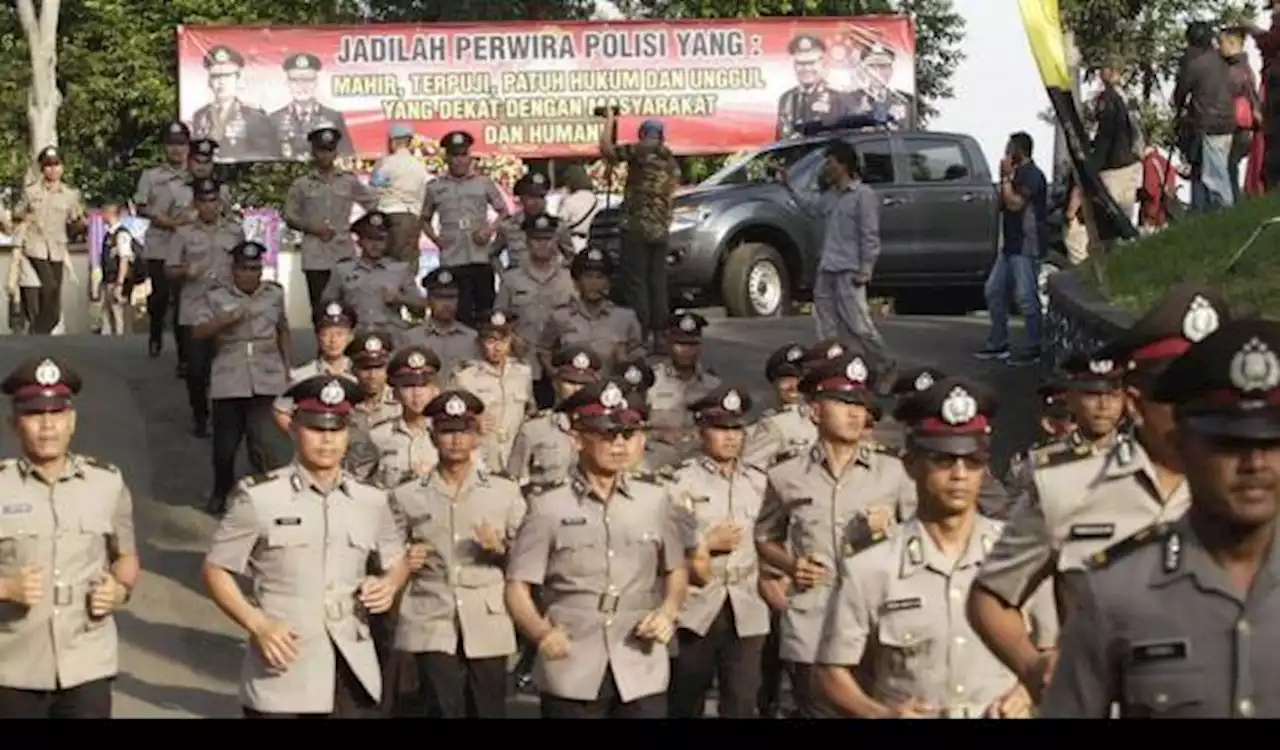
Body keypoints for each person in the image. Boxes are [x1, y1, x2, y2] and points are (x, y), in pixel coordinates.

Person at [968, 283, 1229, 703]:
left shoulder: (1255, 490)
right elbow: (991, 596)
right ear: (1137, 400)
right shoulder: (1067, 489)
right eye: (1179, 396)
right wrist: (1034, 666)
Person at [1043, 318, 1280, 718]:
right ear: (1181, 445)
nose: (1254, 463)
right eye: (1228, 444)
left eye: (1272, 442)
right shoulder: (1115, 593)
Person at [815, 378, 1037, 719]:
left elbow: (1056, 648)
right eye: (943, 460)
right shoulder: (871, 568)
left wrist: (1025, 692)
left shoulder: (1020, 557)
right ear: (911, 464)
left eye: (973, 460)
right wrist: (881, 715)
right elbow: (830, 672)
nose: (960, 474)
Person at [202, 375, 409, 719]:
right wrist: (258, 624)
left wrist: (389, 584)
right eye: (316, 429)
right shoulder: (260, 497)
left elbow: (396, 559)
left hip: (351, 666)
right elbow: (215, 569)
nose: (327, 441)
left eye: (335, 430)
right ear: (294, 430)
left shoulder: (371, 500)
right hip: (285, 665)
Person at [504, 378, 689, 718]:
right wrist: (540, 633)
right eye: (606, 434)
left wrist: (668, 612)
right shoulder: (548, 506)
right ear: (576, 439)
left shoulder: (655, 499)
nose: (618, 444)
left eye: (625, 434)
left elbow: (676, 570)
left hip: (639, 657)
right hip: (573, 659)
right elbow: (518, 586)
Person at [752, 352, 916, 717]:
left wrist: (892, 529)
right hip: (814, 624)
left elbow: (925, 538)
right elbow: (764, 536)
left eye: (860, 404)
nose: (856, 413)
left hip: (877, 626)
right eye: (843, 403)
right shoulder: (786, 475)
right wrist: (791, 565)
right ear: (814, 411)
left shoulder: (894, 472)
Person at [0, 357, 140, 719]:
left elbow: (125, 556)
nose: (48, 427)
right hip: (13, 666)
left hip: (87, 663)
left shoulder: (106, 483)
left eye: (57, 414)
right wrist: (6, 589)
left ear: (72, 422)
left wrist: (120, 589)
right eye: (34, 415)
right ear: (14, 423)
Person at [389, 389, 525, 718]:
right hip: (431, 615)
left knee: (488, 709)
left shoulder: (504, 492)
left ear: (476, 435)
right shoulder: (407, 495)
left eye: (464, 431)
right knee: (440, 707)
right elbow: (388, 557)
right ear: (432, 436)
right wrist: (406, 560)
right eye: (447, 431)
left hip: (488, 619)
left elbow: (528, 560)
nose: (456, 440)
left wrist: (500, 551)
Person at [667, 385, 771, 719]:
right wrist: (706, 544)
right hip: (697, 604)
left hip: (748, 603)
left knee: (741, 701)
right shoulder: (679, 482)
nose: (730, 438)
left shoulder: (760, 481)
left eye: (736, 429)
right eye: (720, 429)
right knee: (686, 698)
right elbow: (662, 543)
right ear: (701, 431)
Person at [193, 241, 292, 515]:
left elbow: (283, 329)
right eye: (244, 269)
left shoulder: (274, 294)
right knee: (225, 446)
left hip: (266, 373)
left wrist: (287, 367)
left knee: (262, 441)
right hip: (230, 375)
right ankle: (221, 490)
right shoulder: (215, 295)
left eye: (255, 268)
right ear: (234, 270)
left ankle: (266, 496)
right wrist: (224, 320)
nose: (251, 274)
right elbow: (198, 331)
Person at [812, 140, 895, 382]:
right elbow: (810, 209)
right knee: (826, 326)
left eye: (831, 162)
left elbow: (869, 234)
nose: (827, 167)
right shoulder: (829, 197)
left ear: (844, 164)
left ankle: (885, 364)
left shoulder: (863, 195)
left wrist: (866, 268)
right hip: (827, 267)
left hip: (849, 269)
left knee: (858, 325)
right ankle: (837, 371)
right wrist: (787, 183)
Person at [598, 109, 680, 351]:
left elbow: (607, 151)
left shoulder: (640, 151)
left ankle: (640, 333)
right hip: (661, 228)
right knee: (658, 282)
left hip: (636, 227)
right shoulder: (670, 159)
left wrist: (609, 121)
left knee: (637, 283)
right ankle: (662, 334)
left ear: (643, 135)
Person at [170, 178, 245, 438]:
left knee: (227, 367)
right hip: (195, 308)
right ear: (196, 203)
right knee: (197, 370)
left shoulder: (235, 231)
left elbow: (245, 266)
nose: (209, 206)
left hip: (226, 307)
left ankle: (226, 418)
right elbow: (168, 269)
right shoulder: (183, 233)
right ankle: (200, 416)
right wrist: (184, 271)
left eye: (213, 200)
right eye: (203, 201)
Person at [284, 125, 376, 315]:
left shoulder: (349, 181)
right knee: (320, 310)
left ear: (335, 152)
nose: (325, 156)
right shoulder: (301, 184)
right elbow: (289, 215)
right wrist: (310, 227)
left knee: (348, 310)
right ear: (313, 152)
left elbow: (372, 206)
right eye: (321, 151)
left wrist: (357, 228)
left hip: (344, 253)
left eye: (329, 150)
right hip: (315, 257)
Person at [420, 130, 509, 327]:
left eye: (463, 154)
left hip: (480, 257)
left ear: (470, 156)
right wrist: (436, 240)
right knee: (458, 315)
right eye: (454, 155)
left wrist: (489, 230)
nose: (459, 161)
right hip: (453, 259)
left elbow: (504, 213)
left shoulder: (483, 183)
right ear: (446, 158)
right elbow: (423, 219)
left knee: (485, 314)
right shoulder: (435, 187)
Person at [976, 132, 1047, 366]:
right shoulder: (1015, 175)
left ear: (1020, 150)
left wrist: (1006, 180)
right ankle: (998, 342)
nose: (1006, 153)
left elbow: (1016, 204)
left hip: (1027, 244)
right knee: (994, 291)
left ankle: (1034, 346)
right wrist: (1004, 179)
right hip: (1009, 245)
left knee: (1026, 297)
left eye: (1009, 148)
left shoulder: (1032, 175)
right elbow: (1001, 205)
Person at [495, 213, 577, 410]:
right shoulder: (512, 279)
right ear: (527, 241)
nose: (542, 244)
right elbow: (498, 319)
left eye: (547, 238)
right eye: (536, 239)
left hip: (560, 367)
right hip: (523, 363)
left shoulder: (569, 279)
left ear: (555, 240)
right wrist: (512, 338)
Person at [445, 309, 535, 473]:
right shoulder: (464, 376)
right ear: (480, 341)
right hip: (481, 461)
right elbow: (447, 417)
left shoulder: (522, 372)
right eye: (491, 340)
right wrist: (471, 421)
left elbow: (530, 412)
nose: (498, 347)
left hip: (516, 460)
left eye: (504, 340)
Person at [321, 211, 426, 347]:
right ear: (360, 241)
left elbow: (421, 307)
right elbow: (326, 305)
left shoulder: (400, 270)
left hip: (391, 337)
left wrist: (400, 298)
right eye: (370, 239)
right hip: (356, 337)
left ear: (388, 242)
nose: (375, 245)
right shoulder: (342, 270)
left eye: (380, 239)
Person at [537, 248, 644, 376]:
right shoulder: (560, 317)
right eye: (588, 276)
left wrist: (625, 362)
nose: (594, 283)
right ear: (577, 282)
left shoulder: (625, 318)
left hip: (612, 390)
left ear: (608, 283)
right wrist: (554, 375)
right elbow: (544, 350)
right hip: (572, 390)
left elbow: (638, 355)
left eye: (600, 277)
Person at [134, 121, 192, 359]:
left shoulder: (196, 175)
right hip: (159, 243)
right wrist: (162, 220)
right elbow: (140, 206)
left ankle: (184, 355)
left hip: (187, 246)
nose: (176, 150)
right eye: (171, 144)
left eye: (181, 144)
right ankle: (155, 332)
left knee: (182, 301)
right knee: (160, 296)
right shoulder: (151, 176)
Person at [505, 345, 602, 486]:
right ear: (556, 384)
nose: (577, 389)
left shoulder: (605, 433)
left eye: (584, 384)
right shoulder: (534, 429)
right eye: (570, 382)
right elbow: (514, 481)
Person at [14, 146, 86, 336]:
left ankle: (38, 332)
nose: (52, 169)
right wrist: (23, 218)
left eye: (56, 165)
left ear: (62, 167)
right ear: (41, 168)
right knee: (50, 287)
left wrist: (80, 223)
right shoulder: (31, 192)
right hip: (35, 246)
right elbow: (17, 213)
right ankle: (37, 335)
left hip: (57, 248)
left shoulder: (70, 195)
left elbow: (76, 221)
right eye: (47, 166)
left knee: (54, 309)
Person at [1173, 22, 1238, 212]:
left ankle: (1224, 211)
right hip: (1228, 118)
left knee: (1214, 175)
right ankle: (1213, 209)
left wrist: (1179, 108)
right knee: (1220, 168)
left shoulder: (1194, 65)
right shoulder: (1222, 60)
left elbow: (1180, 94)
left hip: (1209, 122)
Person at [646, 311, 723, 464]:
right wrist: (659, 435)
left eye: (692, 344)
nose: (687, 351)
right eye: (680, 344)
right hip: (658, 460)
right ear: (668, 344)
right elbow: (633, 427)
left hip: (699, 462)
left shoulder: (713, 386)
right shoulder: (650, 382)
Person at [272, 302, 358, 433]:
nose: (333, 340)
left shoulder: (360, 374)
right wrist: (299, 436)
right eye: (326, 334)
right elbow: (280, 410)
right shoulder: (302, 376)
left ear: (350, 336)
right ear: (317, 337)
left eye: (339, 334)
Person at [368, 345, 442, 490]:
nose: (417, 393)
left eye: (423, 386)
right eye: (408, 386)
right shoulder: (379, 435)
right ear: (396, 393)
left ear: (435, 390)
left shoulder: (448, 433)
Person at [191, 45, 278, 162]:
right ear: (209, 81)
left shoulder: (253, 116)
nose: (221, 82)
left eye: (227, 76)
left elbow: (264, 155)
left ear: (237, 79)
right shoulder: (200, 115)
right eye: (216, 76)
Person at [741, 342, 818, 471]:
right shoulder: (771, 426)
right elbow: (746, 470)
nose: (794, 386)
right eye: (786, 380)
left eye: (801, 379)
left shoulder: (832, 416)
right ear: (774, 384)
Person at [341, 330, 402, 481]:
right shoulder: (342, 406)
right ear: (353, 370)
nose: (372, 375)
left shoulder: (402, 404)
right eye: (366, 368)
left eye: (379, 368)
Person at [269, 53, 354, 161]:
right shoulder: (275, 119)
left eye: (308, 80)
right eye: (295, 80)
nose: (302, 86)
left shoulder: (332, 117)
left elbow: (347, 155)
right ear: (287, 83)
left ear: (316, 82)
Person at [1089, 59, 1144, 225]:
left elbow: (1106, 134)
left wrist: (1094, 166)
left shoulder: (1108, 99)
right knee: (1126, 217)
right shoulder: (1128, 97)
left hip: (1114, 165)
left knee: (1111, 221)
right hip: (1132, 161)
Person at [776, 35, 861, 139]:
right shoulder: (786, 99)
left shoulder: (840, 98)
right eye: (801, 64)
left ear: (822, 64)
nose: (806, 69)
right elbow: (781, 138)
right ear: (794, 66)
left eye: (811, 63)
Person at [369, 124, 429, 265]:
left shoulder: (386, 163)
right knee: (408, 266)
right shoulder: (419, 166)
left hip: (390, 217)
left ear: (393, 141)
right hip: (413, 219)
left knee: (388, 265)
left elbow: (373, 190)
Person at [405, 268, 478, 376]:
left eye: (451, 297)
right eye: (439, 297)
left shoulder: (472, 338)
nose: (446, 304)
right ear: (428, 300)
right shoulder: (411, 339)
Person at [1220, 26, 1263, 203]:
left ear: (1233, 43)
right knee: (1230, 165)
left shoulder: (1235, 70)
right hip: (1243, 124)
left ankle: (1231, 202)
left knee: (1228, 166)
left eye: (1222, 42)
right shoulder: (1245, 68)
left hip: (1235, 123)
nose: (1219, 47)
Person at [495, 172, 573, 270]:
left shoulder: (558, 226)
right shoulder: (508, 226)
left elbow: (571, 256)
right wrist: (504, 275)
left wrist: (559, 273)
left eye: (541, 196)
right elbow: (492, 254)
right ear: (521, 198)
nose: (536, 202)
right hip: (519, 282)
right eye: (531, 196)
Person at [97, 202, 139, 337]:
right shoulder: (109, 234)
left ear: (109, 214)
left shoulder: (121, 234)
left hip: (117, 280)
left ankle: (121, 346)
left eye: (103, 213)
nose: (101, 217)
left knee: (119, 317)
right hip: (108, 280)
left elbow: (124, 259)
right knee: (108, 317)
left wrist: (119, 284)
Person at [555, 164, 599, 255]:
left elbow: (559, 223)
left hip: (574, 242)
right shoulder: (595, 199)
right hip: (590, 241)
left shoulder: (570, 201)